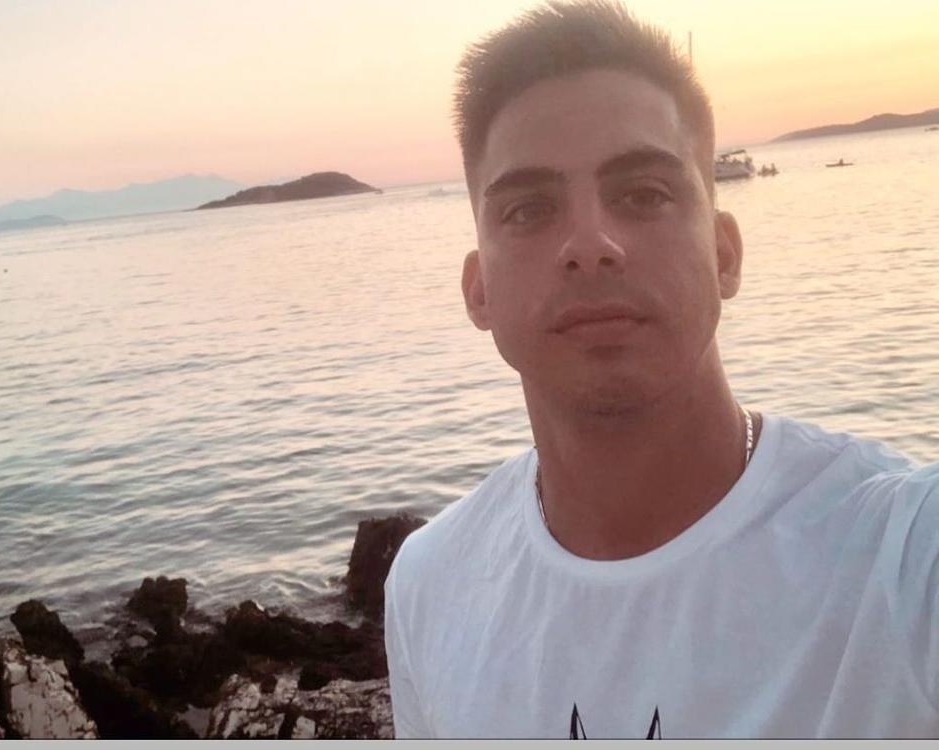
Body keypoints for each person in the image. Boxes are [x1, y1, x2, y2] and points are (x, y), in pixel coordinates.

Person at [384, 0, 938, 739]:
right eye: (528, 209)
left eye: (643, 194)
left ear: (725, 254)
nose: (590, 244)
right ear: (478, 291)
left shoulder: (902, 557)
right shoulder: (430, 583)